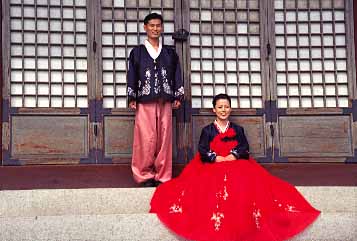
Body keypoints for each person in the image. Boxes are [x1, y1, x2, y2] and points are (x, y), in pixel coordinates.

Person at [150, 94, 320, 241]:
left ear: (230, 109)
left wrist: (233, 156)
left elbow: (244, 147)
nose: (223, 110)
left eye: (226, 107)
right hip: (213, 164)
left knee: (247, 183)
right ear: (214, 110)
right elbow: (202, 149)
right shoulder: (207, 130)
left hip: (235, 162)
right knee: (202, 188)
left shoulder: (238, 129)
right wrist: (215, 158)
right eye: (220, 107)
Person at [127, 13, 184, 187]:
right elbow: (132, 75)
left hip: (165, 99)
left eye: (158, 25)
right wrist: (132, 95)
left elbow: (177, 74)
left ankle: (163, 176)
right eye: (151, 25)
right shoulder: (136, 52)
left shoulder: (169, 53)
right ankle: (144, 175)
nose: (155, 29)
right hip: (144, 100)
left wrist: (178, 94)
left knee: (164, 137)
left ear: (162, 27)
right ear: (145, 27)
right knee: (145, 138)